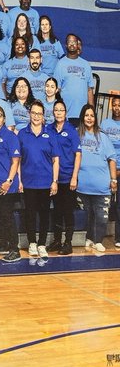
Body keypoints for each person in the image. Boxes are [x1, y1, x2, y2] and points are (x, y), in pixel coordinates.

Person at [18, 100, 59, 258]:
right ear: (29, 114)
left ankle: (42, 244)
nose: (36, 116)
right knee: (29, 214)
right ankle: (32, 243)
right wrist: (20, 180)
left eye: (39, 114)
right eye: (33, 113)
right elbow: (18, 160)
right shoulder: (22, 134)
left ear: (43, 116)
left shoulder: (50, 134)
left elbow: (56, 160)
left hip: (45, 183)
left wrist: (54, 181)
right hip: (28, 182)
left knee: (44, 215)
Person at [76, 105, 116, 254]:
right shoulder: (76, 135)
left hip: (101, 186)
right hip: (83, 186)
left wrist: (114, 180)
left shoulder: (103, 136)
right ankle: (89, 238)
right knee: (87, 215)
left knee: (101, 217)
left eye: (92, 115)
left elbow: (112, 159)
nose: (89, 118)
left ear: (95, 118)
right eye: (86, 115)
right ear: (82, 117)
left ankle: (98, 240)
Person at [0, 106, 24, 263]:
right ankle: (2, 244)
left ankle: (15, 249)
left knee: (7, 216)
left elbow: (15, 161)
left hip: (6, 185)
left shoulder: (10, 136)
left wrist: (8, 181)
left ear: (4, 118)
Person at [47, 100, 80, 255]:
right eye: (56, 110)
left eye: (61, 110)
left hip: (68, 178)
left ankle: (68, 242)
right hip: (54, 179)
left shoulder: (71, 130)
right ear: (53, 112)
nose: (59, 112)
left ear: (66, 112)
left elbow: (78, 154)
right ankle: (57, 241)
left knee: (67, 211)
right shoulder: (49, 129)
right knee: (57, 211)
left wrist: (74, 177)